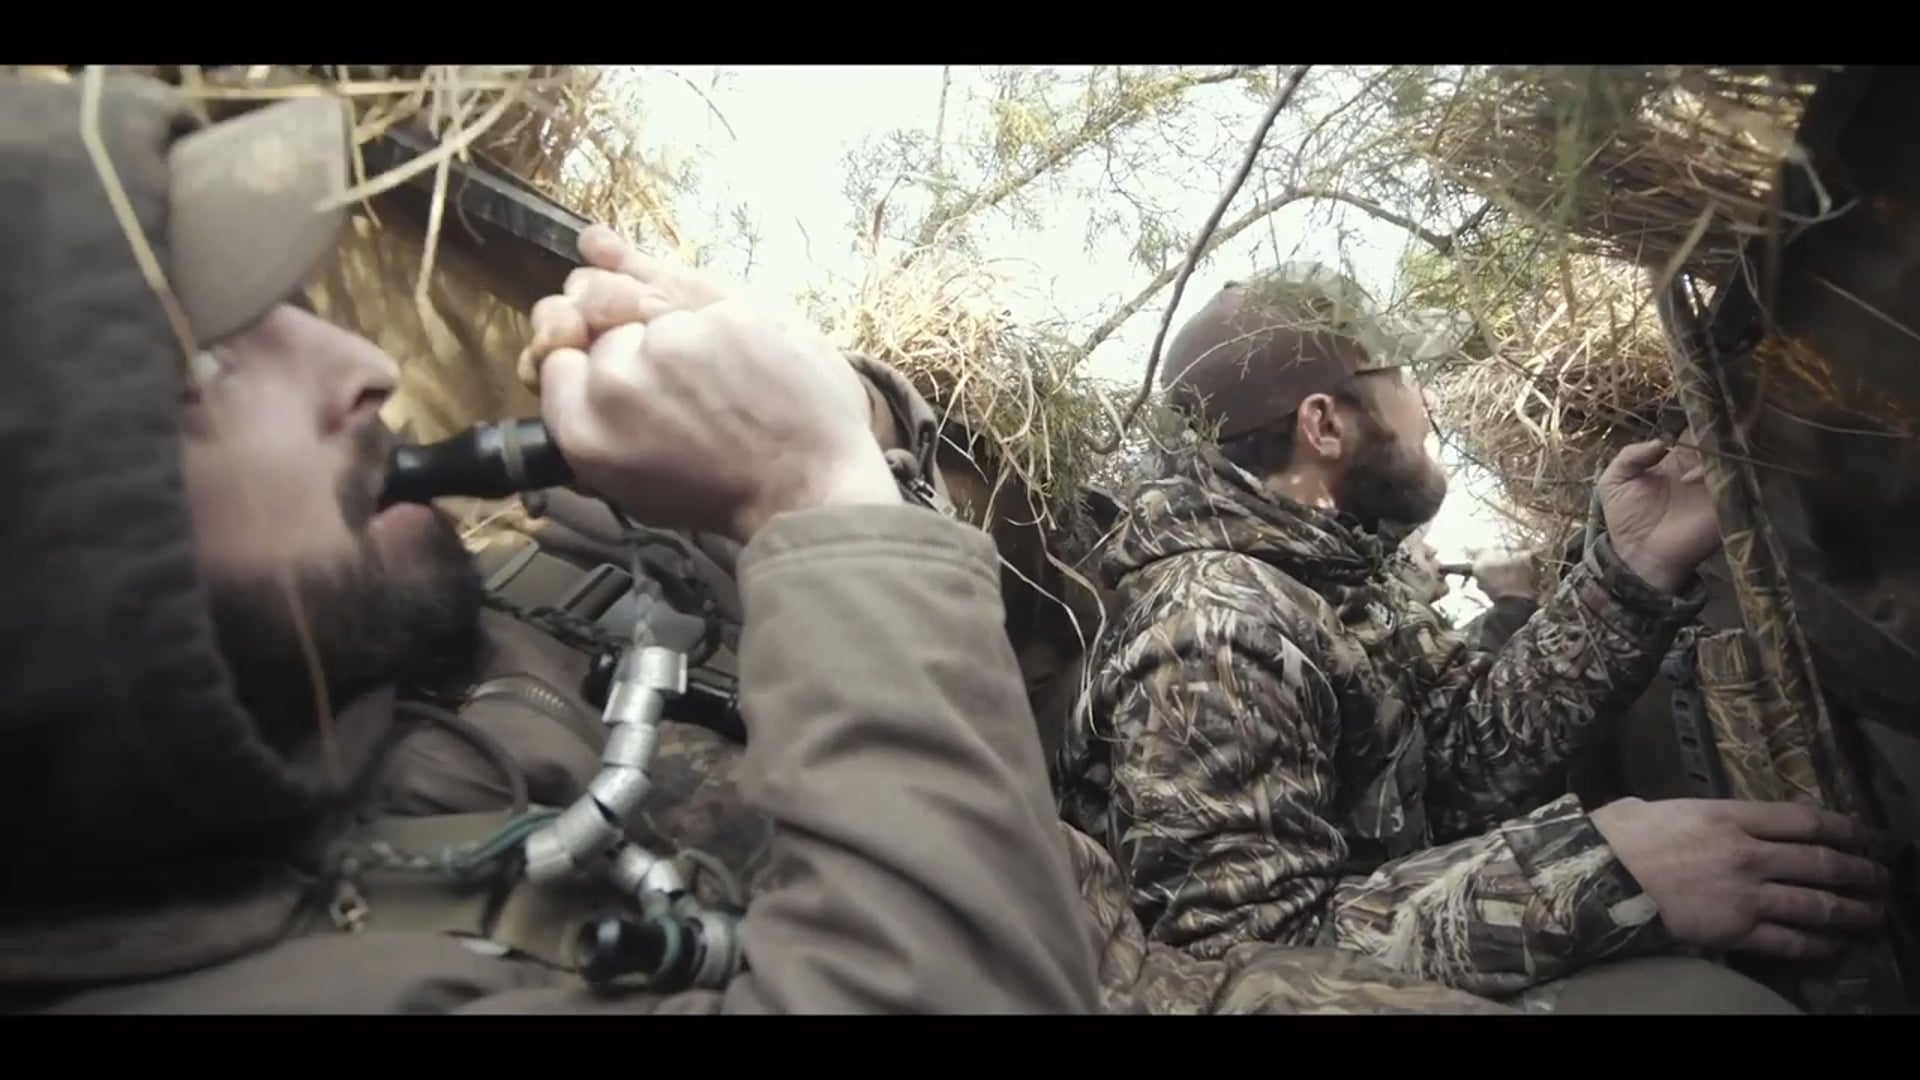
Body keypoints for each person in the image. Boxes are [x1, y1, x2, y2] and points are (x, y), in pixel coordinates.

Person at [0, 73, 1101, 1013]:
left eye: (292, 301)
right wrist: (812, 489)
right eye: (209, 368)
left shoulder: (388, 654)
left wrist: (841, 417)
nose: (364, 365)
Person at [1054, 267, 1887, 1012]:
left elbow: (1467, 757)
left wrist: (1631, 566)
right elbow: (1232, 974)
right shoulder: (1213, 626)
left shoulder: (1327, 576)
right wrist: (1596, 874)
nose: (1426, 408)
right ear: (1325, 424)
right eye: (1402, 377)